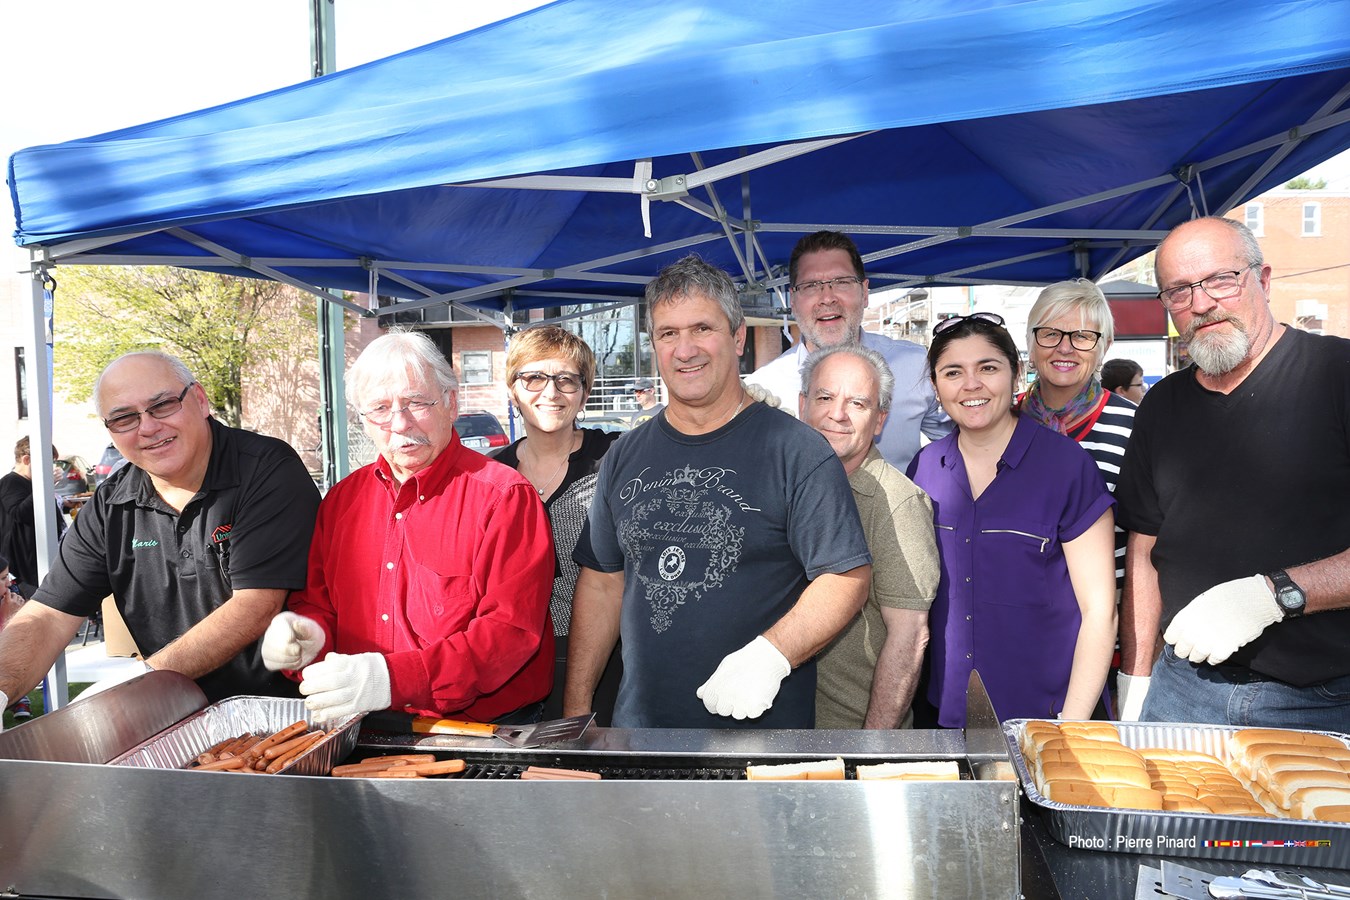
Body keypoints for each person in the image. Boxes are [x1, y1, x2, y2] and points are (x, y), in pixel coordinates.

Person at [565, 255, 871, 729]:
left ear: (738, 336)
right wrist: (577, 711)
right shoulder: (625, 454)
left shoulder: (796, 451)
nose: (684, 349)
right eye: (668, 334)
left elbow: (845, 577)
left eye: (701, 329)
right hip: (643, 735)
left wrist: (772, 655)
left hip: (760, 742)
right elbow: (603, 583)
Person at [1116, 216, 1350, 730]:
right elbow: (1145, 549)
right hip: (1181, 688)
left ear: (1263, 280)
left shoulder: (1337, 375)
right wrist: (1135, 677)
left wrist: (1278, 594)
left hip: (1324, 698)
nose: (1200, 304)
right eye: (1178, 291)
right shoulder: (1163, 405)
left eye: (1221, 280)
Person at [264, 330, 555, 723]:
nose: (400, 423)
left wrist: (393, 678)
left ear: (451, 404)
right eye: (380, 409)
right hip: (360, 721)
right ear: (363, 420)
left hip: (480, 731)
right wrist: (303, 638)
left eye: (417, 402)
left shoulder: (505, 497)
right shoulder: (341, 501)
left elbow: (508, 631)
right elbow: (317, 605)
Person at [0, 352, 320, 709]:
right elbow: (49, 614)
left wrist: (143, 679)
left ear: (199, 400)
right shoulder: (112, 505)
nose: (148, 428)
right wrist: (1, 688)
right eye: (124, 418)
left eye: (163, 405)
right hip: (176, 721)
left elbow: (255, 605)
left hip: (291, 719)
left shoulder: (266, 469)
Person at [906, 313, 1116, 727]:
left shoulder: (1065, 466)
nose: (972, 385)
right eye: (953, 372)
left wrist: (1070, 730)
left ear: (1016, 374)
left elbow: (1100, 611)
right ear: (935, 386)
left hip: (1049, 719)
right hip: (945, 715)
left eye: (988, 368)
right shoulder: (925, 468)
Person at [799, 345, 939, 729]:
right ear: (802, 405)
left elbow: (909, 638)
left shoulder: (898, 503)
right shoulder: (786, 488)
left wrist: (872, 749)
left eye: (857, 404)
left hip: (850, 739)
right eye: (825, 397)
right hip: (782, 731)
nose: (837, 414)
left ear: (880, 420)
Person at [490, 325, 623, 722]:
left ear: (585, 392)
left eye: (566, 379)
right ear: (513, 389)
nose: (550, 392)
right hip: (510, 665)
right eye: (533, 377)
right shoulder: (488, 475)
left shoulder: (617, 459)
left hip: (605, 662)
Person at [745, 230, 951, 473]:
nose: (827, 298)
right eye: (811, 285)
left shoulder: (914, 365)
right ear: (793, 299)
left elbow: (960, 445)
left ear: (864, 292)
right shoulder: (761, 390)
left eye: (841, 282)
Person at [1021, 280, 1136, 590]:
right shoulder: (1004, 420)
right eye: (1050, 333)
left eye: (1083, 336)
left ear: (1105, 346)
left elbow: (1148, 541)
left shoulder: (1136, 427)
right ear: (1030, 342)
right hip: (1016, 614)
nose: (1065, 347)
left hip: (1107, 617)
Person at [0, 437, 67, 597]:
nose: (49, 467)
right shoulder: (11, 482)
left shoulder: (28, 482)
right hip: (24, 566)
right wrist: (45, 485)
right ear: (26, 459)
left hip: (35, 560)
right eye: (45, 462)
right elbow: (20, 513)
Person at [0, 555, 31, 720]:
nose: (9, 583)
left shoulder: (8, 599)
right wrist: (8, 617)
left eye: (8, 577)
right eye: (3, 578)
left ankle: (16, 698)